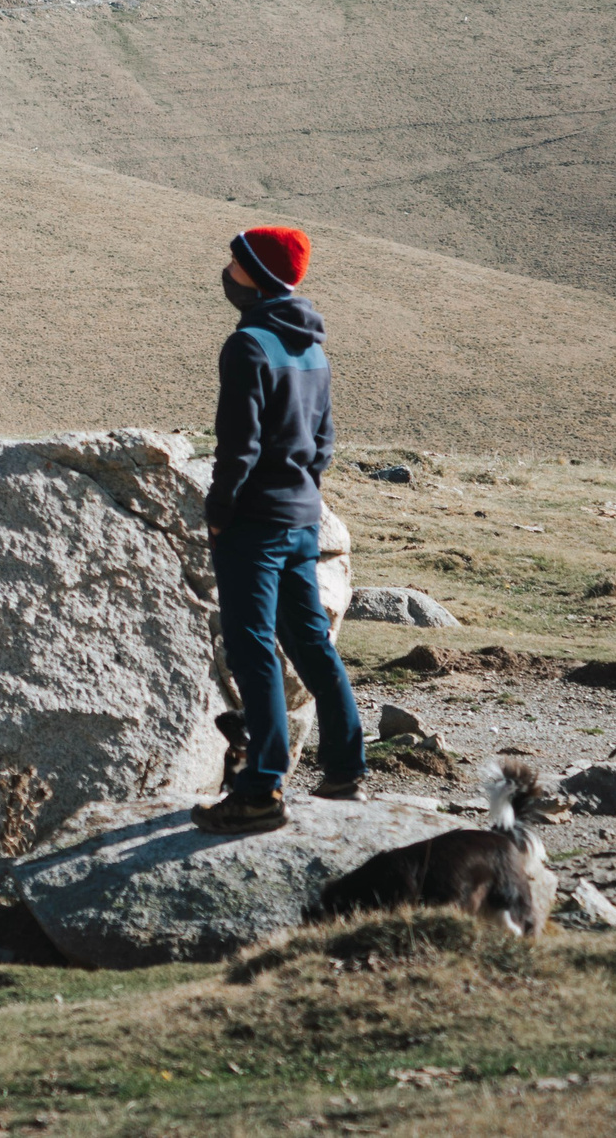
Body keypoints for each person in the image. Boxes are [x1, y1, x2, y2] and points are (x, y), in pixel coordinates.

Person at [192, 227, 366, 834]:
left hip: (255, 525)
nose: (226, 273)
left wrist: (219, 511)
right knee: (310, 642)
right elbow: (324, 444)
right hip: (302, 519)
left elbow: (237, 447)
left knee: (253, 648)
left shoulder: (248, 346)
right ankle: (346, 768)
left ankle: (261, 790)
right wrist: (302, 492)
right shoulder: (312, 347)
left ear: (256, 275)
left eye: (234, 264)